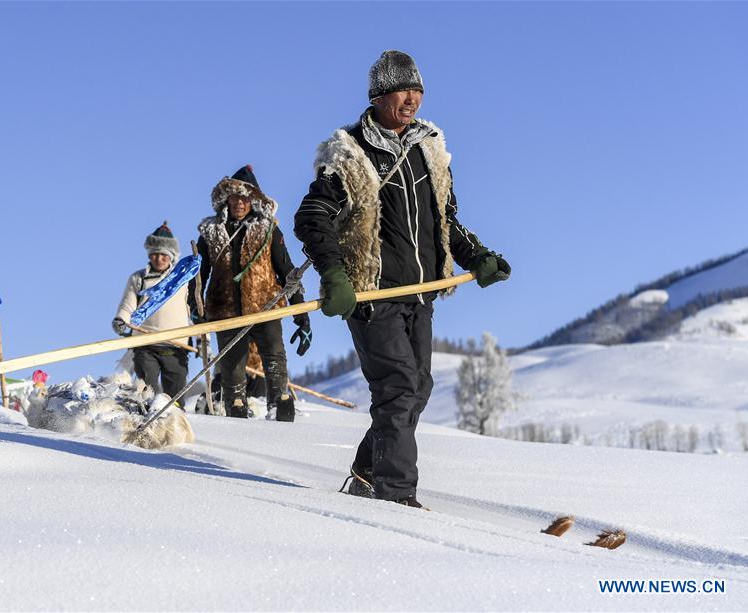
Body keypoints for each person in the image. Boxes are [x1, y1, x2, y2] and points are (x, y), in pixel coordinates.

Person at [294, 50, 511, 507]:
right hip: (372, 293)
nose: (412, 99)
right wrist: (334, 274)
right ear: (378, 96)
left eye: (418, 91)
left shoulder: (428, 147)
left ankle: (368, 473)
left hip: (420, 293)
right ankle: (394, 497)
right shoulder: (350, 152)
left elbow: (445, 219)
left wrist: (478, 256)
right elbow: (313, 216)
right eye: (402, 90)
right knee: (397, 388)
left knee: (418, 389)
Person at [190, 165, 311, 421]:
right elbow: (198, 274)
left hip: (265, 306)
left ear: (253, 200)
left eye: (245, 198)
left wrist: (302, 315)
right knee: (232, 367)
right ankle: (236, 410)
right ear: (226, 199)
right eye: (235, 197)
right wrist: (195, 306)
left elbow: (287, 271)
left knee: (274, 357)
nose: (240, 203)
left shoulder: (268, 230)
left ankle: (280, 404)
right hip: (225, 311)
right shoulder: (210, 233)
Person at [112, 222, 191, 398]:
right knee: (147, 390)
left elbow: (194, 312)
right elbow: (128, 305)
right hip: (145, 343)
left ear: (172, 256)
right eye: (155, 254)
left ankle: (174, 418)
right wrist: (121, 320)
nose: (159, 259)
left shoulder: (183, 280)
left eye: (164, 255)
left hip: (176, 344)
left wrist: (204, 341)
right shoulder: (139, 278)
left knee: (175, 394)